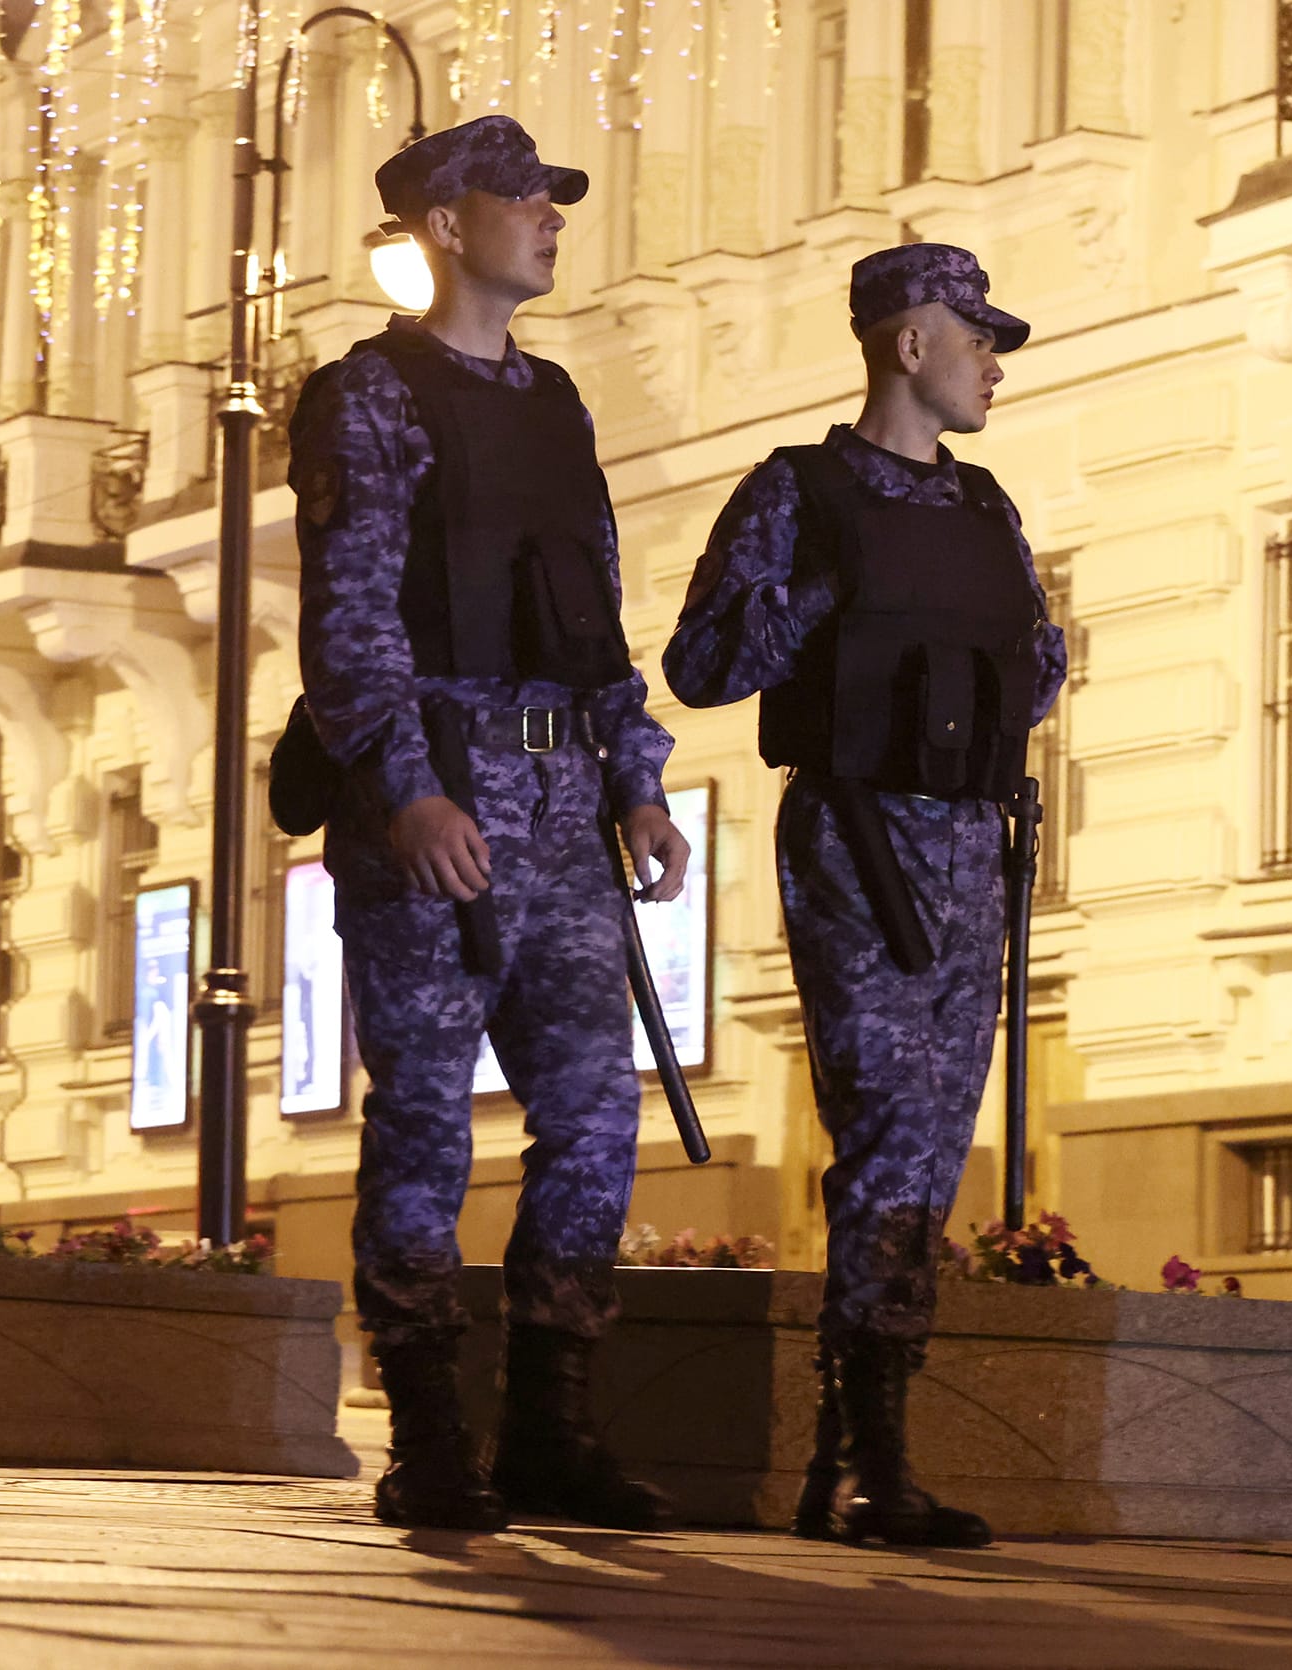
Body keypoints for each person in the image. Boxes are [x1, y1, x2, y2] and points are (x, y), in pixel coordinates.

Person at [289, 114, 689, 1534]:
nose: (549, 215)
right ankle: (429, 1433)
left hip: (564, 809)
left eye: (552, 196)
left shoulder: (558, 401)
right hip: (442, 813)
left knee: (591, 1120)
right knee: (423, 1128)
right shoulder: (369, 398)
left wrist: (637, 778)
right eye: (519, 197)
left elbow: (597, 616)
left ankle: (552, 1431)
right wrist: (404, 788)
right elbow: (345, 626)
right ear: (446, 226)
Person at [664, 244, 1066, 1547]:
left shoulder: (989, 507)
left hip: (972, 855)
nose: (993, 364)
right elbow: (706, 661)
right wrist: (842, 603)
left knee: (931, 1150)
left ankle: (857, 1446)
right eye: (978, 340)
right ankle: (870, 1461)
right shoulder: (802, 495)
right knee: (890, 1138)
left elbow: (1041, 660)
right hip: (860, 845)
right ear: (911, 346)